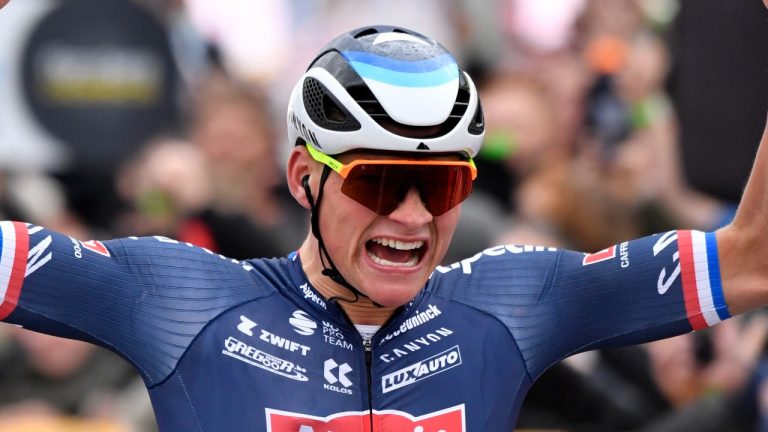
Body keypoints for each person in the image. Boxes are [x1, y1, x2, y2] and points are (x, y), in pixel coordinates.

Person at [1, 9, 768, 431]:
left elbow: (754, 256)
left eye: (441, 187)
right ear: (305, 177)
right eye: (381, 182)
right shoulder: (177, 294)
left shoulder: (512, 298)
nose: (412, 216)